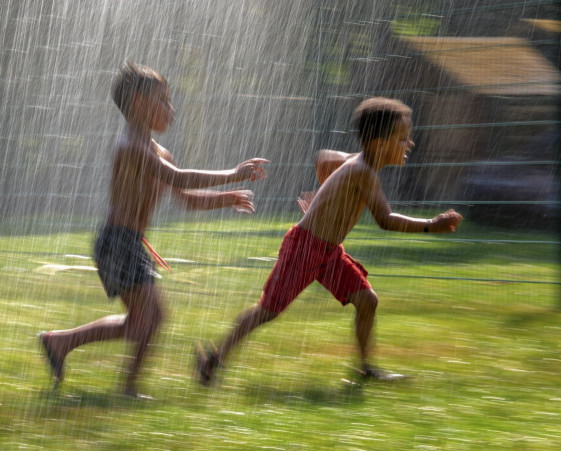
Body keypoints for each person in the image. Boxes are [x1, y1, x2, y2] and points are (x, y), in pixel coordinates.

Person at [39, 62, 268, 397]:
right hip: (117, 242)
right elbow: (179, 177)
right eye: (164, 100)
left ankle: (61, 342)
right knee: (150, 318)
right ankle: (126, 387)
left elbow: (186, 199)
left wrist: (226, 198)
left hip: (129, 243)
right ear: (138, 102)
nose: (171, 109)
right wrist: (233, 173)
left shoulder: (158, 152)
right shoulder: (130, 147)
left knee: (142, 321)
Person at [196, 97, 463, 385]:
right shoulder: (362, 171)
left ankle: (365, 369)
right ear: (377, 143)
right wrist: (429, 226)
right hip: (304, 248)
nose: (409, 144)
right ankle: (214, 358)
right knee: (268, 310)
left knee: (367, 300)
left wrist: (323, 195)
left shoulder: (355, 162)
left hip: (328, 252)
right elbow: (384, 219)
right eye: (402, 138)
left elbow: (323, 158)